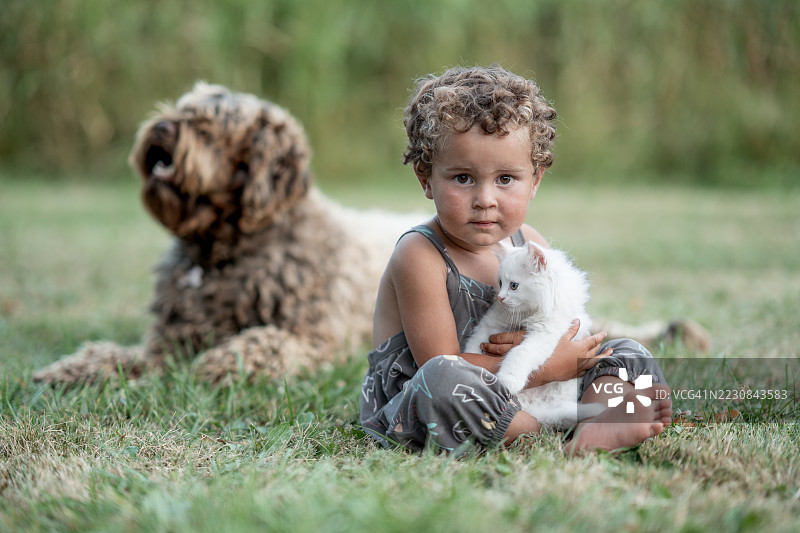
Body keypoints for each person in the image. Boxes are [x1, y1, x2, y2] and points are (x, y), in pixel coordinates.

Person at [359, 65, 671, 455]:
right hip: (426, 405)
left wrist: (567, 358)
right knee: (443, 378)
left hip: (528, 387)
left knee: (624, 351)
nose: (485, 199)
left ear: (535, 180)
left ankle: (606, 417)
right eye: (462, 178)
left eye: (505, 179)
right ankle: (538, 431)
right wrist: (548, 367)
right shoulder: (420, 255)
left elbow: (569, 329)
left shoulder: (528, 247)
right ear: (426, 178)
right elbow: (438, 363)